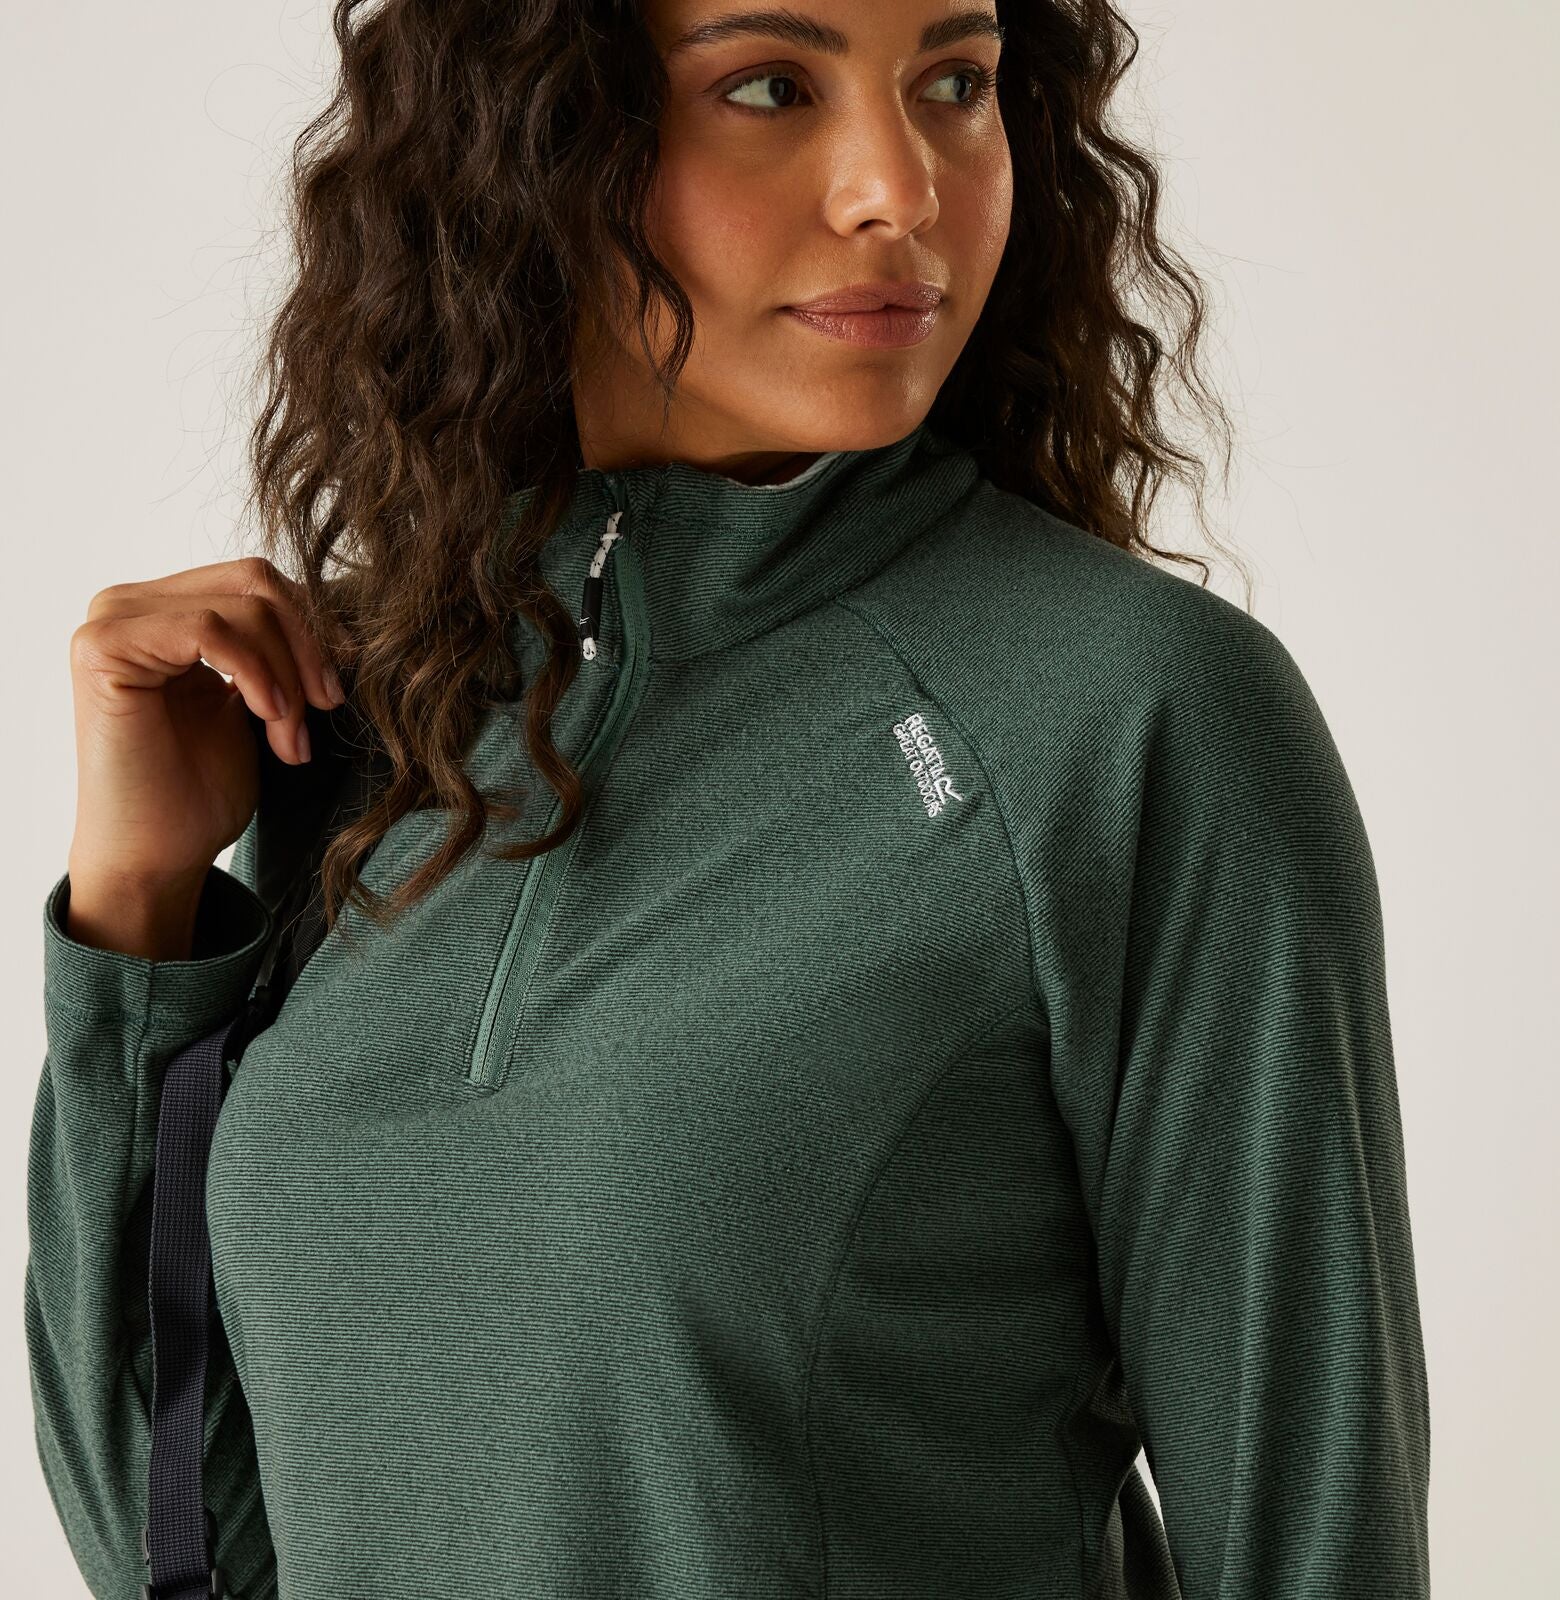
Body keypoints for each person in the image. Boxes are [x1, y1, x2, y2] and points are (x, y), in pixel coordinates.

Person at [23, 1, 1431, 1597]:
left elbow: (1318, 1551)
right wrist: (138, 912)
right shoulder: (391, 711)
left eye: (956, 83)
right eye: (771, 87)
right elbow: (178, 1554)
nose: (899, 187)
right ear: (535, 140)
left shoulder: (1127, 719)